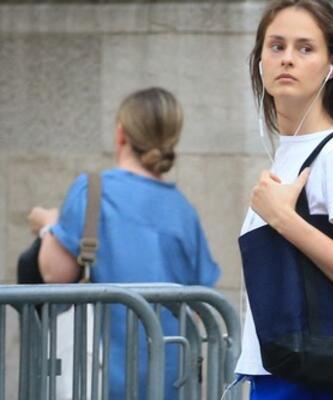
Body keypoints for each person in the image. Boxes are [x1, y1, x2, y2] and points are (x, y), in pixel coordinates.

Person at [236, 1, 333, 399]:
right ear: (260, 61)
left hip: (318, 381)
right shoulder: (290, 153)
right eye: (276, 46)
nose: (287, 58)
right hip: (281, 373)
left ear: (331, 65)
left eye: (305, 48)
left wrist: (285, 220)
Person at [28, 87, 221, 399]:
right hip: (170, 380)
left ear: (121, 133)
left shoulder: (91, 190)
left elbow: (55, 274)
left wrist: (50, 226)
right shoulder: (183, 209)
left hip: (103, 379)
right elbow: (201, 300)